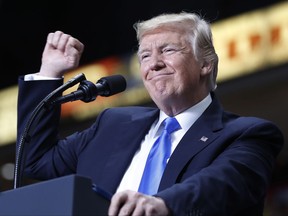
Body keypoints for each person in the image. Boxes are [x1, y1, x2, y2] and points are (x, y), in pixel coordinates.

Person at [16, 12, 284, 216]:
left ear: (205, 64)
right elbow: (34, 160)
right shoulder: (112, 124)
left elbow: (222, 184)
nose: (154, 64)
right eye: (144, 55)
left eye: (167, 50)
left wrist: (161, 203)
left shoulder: (248, 134)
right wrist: (49, 72)